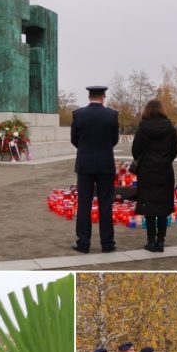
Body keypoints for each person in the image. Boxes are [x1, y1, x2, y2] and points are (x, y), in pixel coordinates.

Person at [70, 85, 121, 254]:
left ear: (89, 96)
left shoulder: (78, 115)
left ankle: (83, 243)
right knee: (105, 203)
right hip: (105, 164)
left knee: (84, 203)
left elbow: (74, 139)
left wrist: (86, 149)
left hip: (85, 164)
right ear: (103, 96)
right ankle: (107, 243)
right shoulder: (112, 115)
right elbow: (114, 139)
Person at [132, 99, 177, 253]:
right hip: (165, 170)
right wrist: (165, 160)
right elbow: (174, 150)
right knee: (163, 206)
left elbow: (135, 150)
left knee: (149, 205)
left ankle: (151, 240)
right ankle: (161, 240)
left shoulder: (142, 127)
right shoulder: (170, 127)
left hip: (147, 170)